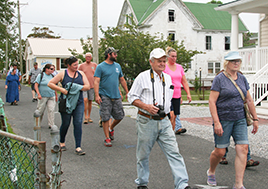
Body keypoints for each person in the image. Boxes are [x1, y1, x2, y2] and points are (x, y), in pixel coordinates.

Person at [128, 48, 195, 189]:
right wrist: (146, 107)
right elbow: (131, 97)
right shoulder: (142, 77)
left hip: (164, 121)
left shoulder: (168, 78)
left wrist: (171, 114)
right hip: (146, 120)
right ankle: (142, 183)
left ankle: (182, 184)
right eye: (159, 61)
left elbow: (168, 99)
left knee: (174, 152)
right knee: (143, 155)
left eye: (164, 61)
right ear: (151, 62)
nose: (162, 63)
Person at [207, 51, 259, 189]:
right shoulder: (219, 79)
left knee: (243, 148)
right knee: (220, 152)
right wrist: (216, 122)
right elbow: (212, 102)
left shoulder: (242, 78)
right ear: (227, 63)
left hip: (240, 119)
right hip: (224, 119)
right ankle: (211, 171)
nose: (236, 63)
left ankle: (238, 184)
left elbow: (248, 99)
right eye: (233, 61)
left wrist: (255, 119)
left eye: (238, 61)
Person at [48, 56, 90, 156]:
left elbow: (87, 86)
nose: (76, 66)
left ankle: (78, 147)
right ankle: (62, 141)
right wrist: (62, 90)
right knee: (66, 123)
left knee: (78, 123)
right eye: (74, 65)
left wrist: (77, 87)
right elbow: (50, 83)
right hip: (66, 102)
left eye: (77, 64)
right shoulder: (63, 74)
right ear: (68, 65)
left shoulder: (81, 73)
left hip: (79, 102)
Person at [94, 47, 129, 147]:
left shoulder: (117, 66)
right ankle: (107, 138)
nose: (116, 55)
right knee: (106, 117)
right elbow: (96, 81)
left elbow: (121, 79)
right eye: (114, 54)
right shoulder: (100, 67)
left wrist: (127, 92)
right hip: (105, 95)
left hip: (116, 96)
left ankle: (111, 128)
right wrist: (97, 95)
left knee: (120, 116)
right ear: (109, 55)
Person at [164, 47, 192, 133]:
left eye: (175, 56)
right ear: (168, 57)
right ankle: (166, 132)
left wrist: (188, 93)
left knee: (175, 116)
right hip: (168, 94)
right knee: (171, 115)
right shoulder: (164, 66)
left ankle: (171, 133)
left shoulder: (179, 67)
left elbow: (184, 81)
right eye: (172, 56)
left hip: (177, 94)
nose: (174, 58)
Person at [34, 64, 57, 129]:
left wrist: (56, 95)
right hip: (43, 96)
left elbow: (54, 86)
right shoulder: (41, 76)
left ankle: (51, 124)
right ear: (47, 69)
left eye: (53, 69)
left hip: (51, 95)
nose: (53, 70)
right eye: (51, 69)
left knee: (51, 110)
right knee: (40, 110)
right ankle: (37, 123)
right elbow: (36, 85)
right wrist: (38, 94)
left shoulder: (52, 76)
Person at [78, 52, 97, 124]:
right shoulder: (82, 66)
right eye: (86, 57)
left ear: (91, 57)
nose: (88, 58)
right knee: (84, 100)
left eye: (89, 56)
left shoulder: (94, 65)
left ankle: (89, 116)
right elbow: (79, 74)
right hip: (84, 86)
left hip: (92, 86)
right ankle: (85, 116)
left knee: (90, 101)